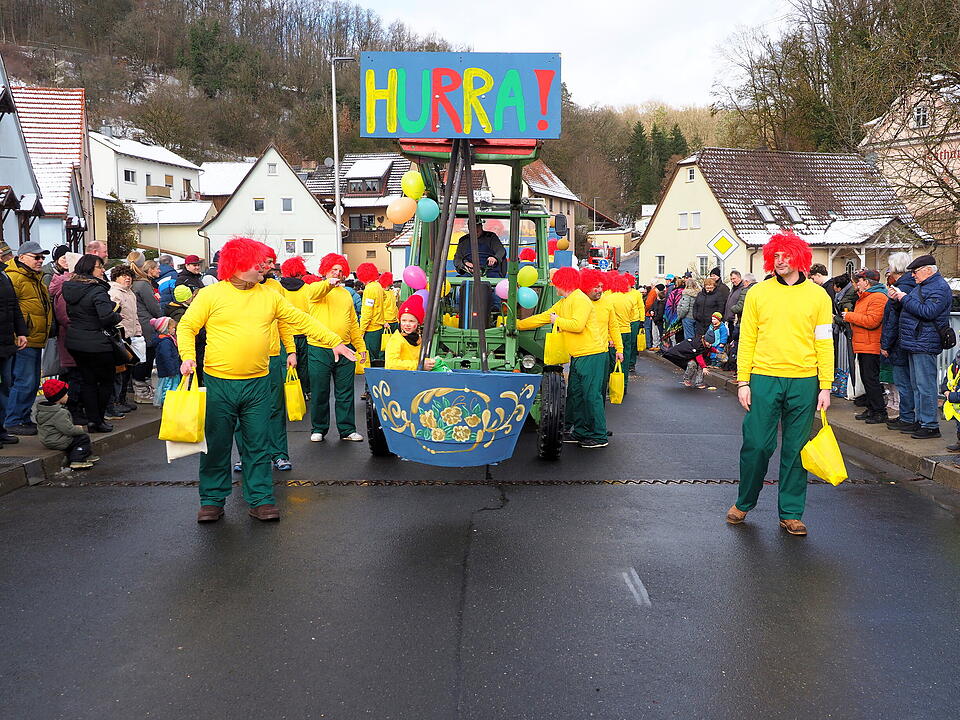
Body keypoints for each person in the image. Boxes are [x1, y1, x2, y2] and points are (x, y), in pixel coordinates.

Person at [178, 237, 354, 523]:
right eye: (256, 262)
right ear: (236, 265)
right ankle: (211, 500)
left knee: (257, 444)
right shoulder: (212, 295)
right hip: (219, 382)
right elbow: (187, 326)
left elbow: (301, 320)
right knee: (217, 444)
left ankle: (260, 499)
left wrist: (334, 340)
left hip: (258, 383)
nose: (263, 267)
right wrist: (187, 357)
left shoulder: (270, 294)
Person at [727, 232, 834, 537]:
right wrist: (743, 381)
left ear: (799, 258)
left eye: (786, 255)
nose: (780, 261)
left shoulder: (818, 296)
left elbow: (824, 343)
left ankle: (790, 512)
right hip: (763, 377)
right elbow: (746, 338)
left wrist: (825, 385)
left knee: (796, 449)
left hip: (804, 380)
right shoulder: (759, 292)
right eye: (775, 256)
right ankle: (744, 501)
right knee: (757, 444)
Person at [518, 267, 609, 448]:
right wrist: (517, 324)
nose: (553, 286)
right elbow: (543, 317)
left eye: (556, 283)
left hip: (592, 354)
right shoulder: (565, 301)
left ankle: (599, 436)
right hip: (579, 355)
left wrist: (556, 321)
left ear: (563, 283)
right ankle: (581, 432)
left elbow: (577, 325)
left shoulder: (580, 300)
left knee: (591, 396)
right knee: (577, 394)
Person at [887, 254, 951, 439]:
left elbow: (928, 312)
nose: (913, 276)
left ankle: (930, 425)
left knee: (925, 386)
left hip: (925, 342)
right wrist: (897, 300)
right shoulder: (924, 286)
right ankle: (921, 420)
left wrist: (904, 298)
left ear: (928, 270)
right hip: (916, 341)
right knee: (917, 385)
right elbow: (912, 308)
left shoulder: (939, 287)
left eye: (915, 272)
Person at [305, 253, 366, 443]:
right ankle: (319, 428)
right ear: (325, 270)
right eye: (334, 270)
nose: (338, 273)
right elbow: (315, 292)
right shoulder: (316, 288)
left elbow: (353, 323)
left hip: (345, 347)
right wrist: (328, 283)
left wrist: (360, 346)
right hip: (319, 348)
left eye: (341, 270)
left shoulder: (347, 294)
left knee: (345, 391)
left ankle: (347, 429)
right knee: (320, 391)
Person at [62, 254, 122, 433]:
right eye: (99, 267)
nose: (103, 270)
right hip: (96, 342)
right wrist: (117, 315)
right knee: (105, 381)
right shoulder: (97, 290)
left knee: (88, 381)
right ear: (89, 269)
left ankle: (92, 420)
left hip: (75, 341)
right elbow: (106, 316)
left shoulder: (70, 287)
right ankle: (98, 420)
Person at [5, 241, 53, 435]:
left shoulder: (34, 278)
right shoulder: (15, 278)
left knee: (31, 381)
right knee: (25, 380)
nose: (40, 260)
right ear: (22, 257)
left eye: (42, 257)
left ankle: (22, 417)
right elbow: (10, 309)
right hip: (24, 339)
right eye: (36, 257)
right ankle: (14, 419)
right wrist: (17, 334)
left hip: (34, 337)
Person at [842, 269, 889, 424]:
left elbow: (872, 321)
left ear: (867, 282)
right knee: (867, 379)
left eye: (859, 280)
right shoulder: (866, 297)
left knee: (871, 379)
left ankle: (879, 412)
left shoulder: (878, 298)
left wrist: (849, 316)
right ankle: (872, 408)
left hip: (871, 345)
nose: (857, 284)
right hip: (864, 344)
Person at [880, 252, 915, 432]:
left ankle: (907, 416)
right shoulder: (912, 285)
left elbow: (893, 319)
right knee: (907, 382)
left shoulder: (900, 288)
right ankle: (907, 415)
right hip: (906, 339)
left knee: (903, 382)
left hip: (900, 341)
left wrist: (885, 344)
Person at [33, 378, 97, 470]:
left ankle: (84, 455)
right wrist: (80, 429)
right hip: (57, 441)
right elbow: (68, 430)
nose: (67, 396)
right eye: (66, 394)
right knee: (82, 438)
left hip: (48, 439)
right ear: (59, 397)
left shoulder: (43, 410)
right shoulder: (59, 413)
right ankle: (77, 459)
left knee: (76, 439)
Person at [0, 253, 28, 446]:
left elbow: (14, 307)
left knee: (5, 385)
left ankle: (1, 429)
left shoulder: (4, 275)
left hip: (6, 341)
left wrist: (21, 331)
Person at [279, 256, 312, 397]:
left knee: (287, 364)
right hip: (303, 333)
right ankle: (305, 391)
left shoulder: (279, 289)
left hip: (285, 333)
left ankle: (290, 393)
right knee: (304, 365)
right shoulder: (308, 289)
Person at [130, 259, 162, 403]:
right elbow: (153, 307)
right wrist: (161, 318)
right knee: (146, 358)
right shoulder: (143, 284)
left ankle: (140, 389)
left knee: (140, 358)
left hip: (136, 324)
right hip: (146, 324)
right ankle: (142, 392)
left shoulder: (132, 284)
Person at [385, 295, 436, 370]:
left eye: (411, 321)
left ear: (418, 323)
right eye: (404, 320)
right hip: (398, 378)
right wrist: (419, 365)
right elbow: (391, 364)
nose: (407, 324)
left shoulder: (418, 338)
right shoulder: (396, 339)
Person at [357, 263, 386, 366]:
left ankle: (370, 381)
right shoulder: (378, 286)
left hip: (371, 329)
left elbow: (367, 313)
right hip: (380, 327)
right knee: (379, 358)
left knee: (371, 360)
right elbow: (385, 298)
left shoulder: (369, 289)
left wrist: (361, 331)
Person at [150, 317, 180, 406]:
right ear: (166, 329)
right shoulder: (165, 342)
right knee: (168, 387)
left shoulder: (166, 340)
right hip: (168, 371)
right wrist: (172, 370)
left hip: (169, 369)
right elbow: (167, 357)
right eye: (172, 328)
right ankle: (167, 403)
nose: (174, 329)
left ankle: (169, 402)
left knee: (168, 386)